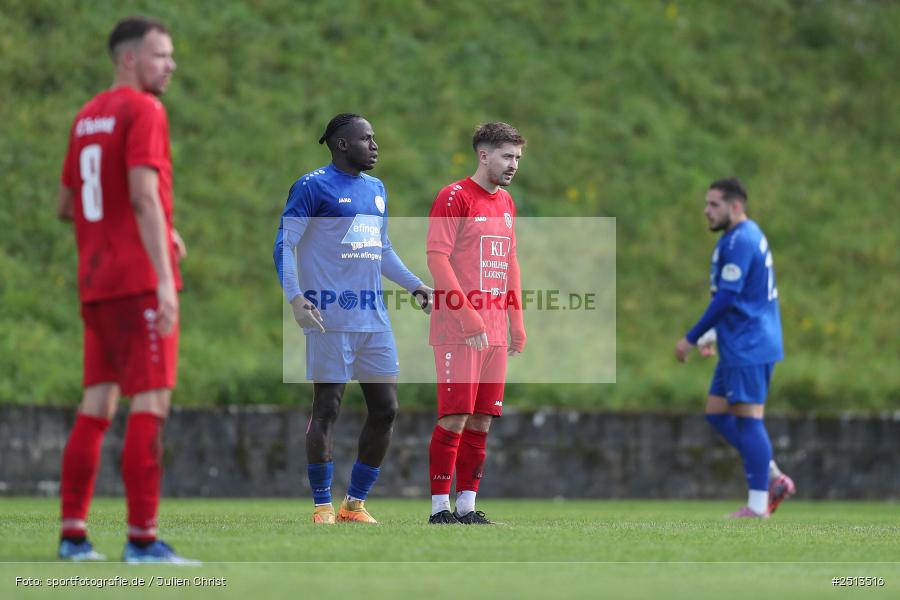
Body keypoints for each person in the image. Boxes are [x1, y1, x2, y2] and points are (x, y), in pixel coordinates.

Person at [56, 16, 196, 563]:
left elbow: (68, 205)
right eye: (161, 55)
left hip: (94, 282)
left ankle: (73, 536)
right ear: (129, 59)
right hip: (137, 281)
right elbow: (141, 194)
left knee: (96, 405)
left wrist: (159, 224)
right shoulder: (145, 109)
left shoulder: (87, 116)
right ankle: (142, 540)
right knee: (151, 404)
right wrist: (163, 277)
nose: (171, 65)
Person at [274, 113, 432, 525]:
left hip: (374, 320)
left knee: (387, 409)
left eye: (374, 138)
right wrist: (295, 298)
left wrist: (416, 286)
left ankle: (354, 505)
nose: (375, 145)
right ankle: (322, 506)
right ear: (342, 145)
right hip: (329, 317)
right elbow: (285, 245)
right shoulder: (312, 187)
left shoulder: (376, 189)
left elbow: (381, 249)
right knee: (327, 407)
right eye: (367, 139)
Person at [675, 177, 796, 518]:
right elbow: (739, 295)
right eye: (706, 204)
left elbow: (728, 297)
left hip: (750, 342)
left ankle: (759, 506)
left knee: (749, 420)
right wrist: (714, 335)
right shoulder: (738, 237)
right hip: (739, 340)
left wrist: (694, 335)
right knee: (716, 413)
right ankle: (771, 475)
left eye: (714, 204)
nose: (707, 211)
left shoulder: (742, 239)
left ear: (736, 206)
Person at [425, 122, 527, 525]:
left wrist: (515, 320)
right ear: (483, 155)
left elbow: (510, 263)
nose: (513, 165)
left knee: (483, 418)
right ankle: (439, 509)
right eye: (507, 156)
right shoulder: (453, 197)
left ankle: (467, 506)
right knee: (455, 416)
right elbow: (437, 258)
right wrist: (467, 317)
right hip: (457, 330)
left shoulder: (506, 202)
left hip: (495, 330)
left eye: (518, 157)